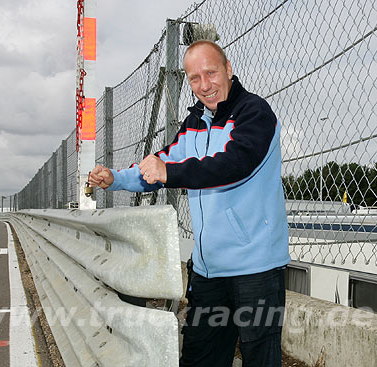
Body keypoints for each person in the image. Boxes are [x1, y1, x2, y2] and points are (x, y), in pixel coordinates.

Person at [89, 40, 290, 367]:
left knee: (261, 360)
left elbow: (233, 166)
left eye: (210, 73)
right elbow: (160, 165)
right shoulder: (195, 123)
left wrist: (167, 171)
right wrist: (115, 177)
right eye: (194, 78)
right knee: (199, 358)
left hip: (257, 269)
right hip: (209, 269)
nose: (204, 85)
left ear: (228, 69)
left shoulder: (255, 113)